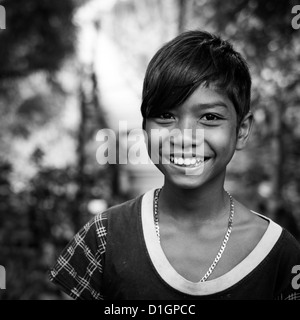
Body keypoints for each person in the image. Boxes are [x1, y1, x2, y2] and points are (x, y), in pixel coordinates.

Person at [49, 30, 300, 300]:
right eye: (166, 115)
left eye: (210, 117)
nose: (185, 137)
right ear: (144, 127)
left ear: (241, 130)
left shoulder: (279, 254)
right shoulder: (104, 237)